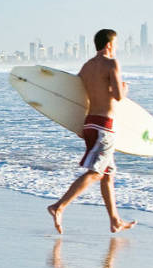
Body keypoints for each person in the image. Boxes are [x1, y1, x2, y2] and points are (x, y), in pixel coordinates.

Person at [48, 28, 135, 234]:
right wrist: (124, 87)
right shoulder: (111, 63)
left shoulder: (86, 67)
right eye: (115, 44)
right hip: (105, 126)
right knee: (96, 172)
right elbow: (119, 96)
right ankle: (59, 206)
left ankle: (115, 220)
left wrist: (77, 125)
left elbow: (77, 96)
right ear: (109, 45)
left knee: (107, 174)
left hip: (89, 123)